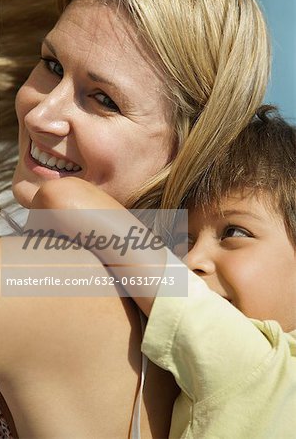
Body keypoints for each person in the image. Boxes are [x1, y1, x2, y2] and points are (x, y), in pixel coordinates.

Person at [0, 0, 271, 436]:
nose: (42, 114)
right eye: (51, 65)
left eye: (103, 100)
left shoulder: (46, 282)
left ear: (187, 147)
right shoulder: (184, 324)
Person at [34, 106, 295, 438]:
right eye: (182, 240)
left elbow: (65, 197)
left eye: (235, 233)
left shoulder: (257, 367)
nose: (191, 260)